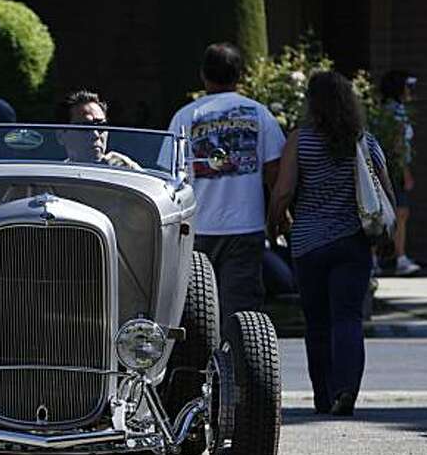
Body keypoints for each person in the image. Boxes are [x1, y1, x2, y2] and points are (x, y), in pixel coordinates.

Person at [268, 71, 395, 416]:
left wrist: (273, 224)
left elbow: (283, 191)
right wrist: (387, 235)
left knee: (317, 323)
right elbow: (384, 191)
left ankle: (323, 396)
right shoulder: (364, 141)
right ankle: (346, 389)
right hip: (353, 243)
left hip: (309, 245)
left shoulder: (301, 140)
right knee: (348, 319)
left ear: (313, 103)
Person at [168, 43, 285, 327]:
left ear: (203, 76)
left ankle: (200, 367)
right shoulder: (259, 114)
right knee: (242, 311)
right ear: (240, 76)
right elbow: (275, 171)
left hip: (197, 228)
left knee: (197, 313)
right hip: (246, 226)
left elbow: (170, 175)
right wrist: (277, 216)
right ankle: (239, 366)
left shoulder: (185, 116)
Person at [380, 71, 420, 276]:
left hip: (390, 167)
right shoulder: (395, 112)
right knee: (400, 213)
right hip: (394, 169)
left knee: (392, 213)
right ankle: (399, 256)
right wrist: (405, 171)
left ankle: (390, 257)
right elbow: (397, 144)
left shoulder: (393, 110)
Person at [56, 90, 141, 170]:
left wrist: (133, 170)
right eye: (85, 128)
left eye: (102, 126)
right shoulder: (53, 178)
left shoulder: (123, 170)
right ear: (60, 136)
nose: (95, 135)